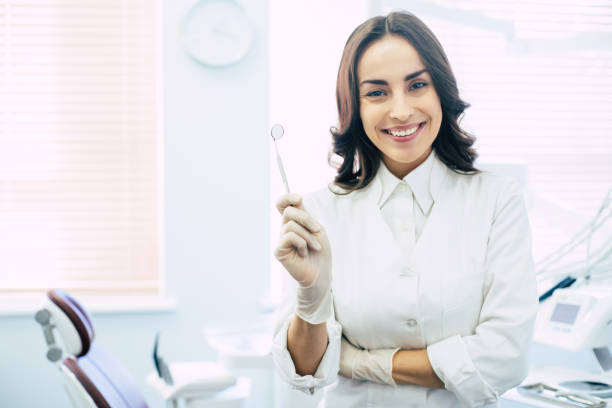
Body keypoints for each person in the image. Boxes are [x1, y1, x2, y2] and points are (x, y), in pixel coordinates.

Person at [272, 10, 537, 408]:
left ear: (441, 92)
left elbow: (506, 358)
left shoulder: (497, 200)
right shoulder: (319, 213)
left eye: (416, 85)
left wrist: (360, 362)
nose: (400, 110)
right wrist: (312, 294)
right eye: (377, 92)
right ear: (355, 108)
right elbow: (306, 372)